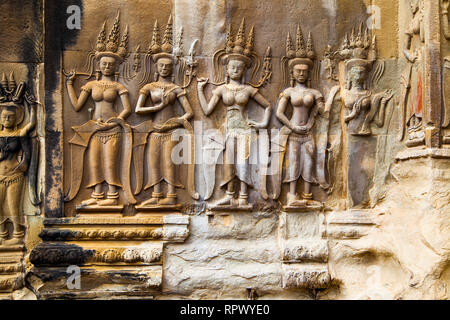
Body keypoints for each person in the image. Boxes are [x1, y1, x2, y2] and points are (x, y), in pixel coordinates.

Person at [197, 20, 271, 207]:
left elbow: (268, 106)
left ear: (245, 70)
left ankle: (244, 197)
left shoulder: (248, 90)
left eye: (239, 67)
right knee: (229, 162)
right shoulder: (221, 89)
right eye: (232, 67)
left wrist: (262, 123)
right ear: (227, 69)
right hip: (229, 130)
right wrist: (199, 90)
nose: (236, 70)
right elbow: (207, 110)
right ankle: (230, 195)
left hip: (245, 129)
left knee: (243, 164)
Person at [65, 14, 134, 206]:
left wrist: (116, 120)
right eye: (104, 63)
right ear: (99, 65)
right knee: (95, 163)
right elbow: (78, 106)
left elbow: (127, 109)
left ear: (115, 67)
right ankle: (96, 195)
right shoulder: (92, 84)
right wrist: (70, 85)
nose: (107, 66)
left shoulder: (118, 87)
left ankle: (112, 196)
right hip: (95, 128)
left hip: (112, 129)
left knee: (110, 163)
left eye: (111, 64)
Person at [0, 79, 36, 245]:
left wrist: (33, 107)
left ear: (16, 119)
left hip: (15, 173)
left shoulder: (20, 133)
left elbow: (32, 125)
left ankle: (17, 233)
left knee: (14, 205)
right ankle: (2, 234)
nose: (7, 119)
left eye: (10, 117)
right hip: (0, 173)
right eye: (4, 116)